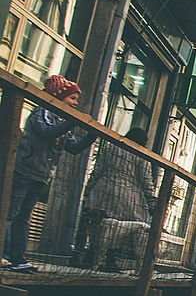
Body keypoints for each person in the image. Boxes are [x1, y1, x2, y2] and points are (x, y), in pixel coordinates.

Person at [2, 75, 95, 272]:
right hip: (24, 171)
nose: (75, 103)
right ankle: (7, 255)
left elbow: (74, 148)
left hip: (41, 176)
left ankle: (17, 258)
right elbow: (48, 132)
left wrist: (91, 135)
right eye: (72, 98)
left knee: (23, 216)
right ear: (58, 96)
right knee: (10, 213)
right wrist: (73, 121)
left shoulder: (61, 121)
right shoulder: (42, 113)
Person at [77, 126, 156, 269]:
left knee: (97, 225)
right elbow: (146, 180)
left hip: (103, 189)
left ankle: (85, 255)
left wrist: (89, 190)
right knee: (116, 230)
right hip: (127, 194)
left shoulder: (110, 146)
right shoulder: (141, 155)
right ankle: (110, 259)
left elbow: (98, 169)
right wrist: (152, 202)